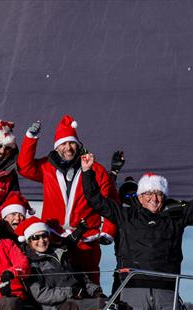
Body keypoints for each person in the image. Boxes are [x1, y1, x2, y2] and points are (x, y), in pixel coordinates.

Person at [80, 153, 193, 310]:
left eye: (158, 194)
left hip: (166, 291)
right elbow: (95, 200)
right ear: (139, 197)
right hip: (133, 290)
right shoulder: (125, 216)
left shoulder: (175, 218)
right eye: (148, 193)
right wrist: (87, 172)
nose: (154, 198)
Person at [17, 115, 118, 282]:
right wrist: (30, 138)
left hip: (86, 239)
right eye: (63, 144)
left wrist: (108, 231)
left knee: (90, 282)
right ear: (57, 147)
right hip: (55, 237)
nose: (68, 148)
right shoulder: (47, 167)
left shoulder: (95, 169)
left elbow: (111, 201)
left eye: (72, 143)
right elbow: (24, 168)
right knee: (57, 282)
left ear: (78, 145)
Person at [16, 217, 105, 310]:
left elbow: (81, 277)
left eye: (44, 235)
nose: (41, 240)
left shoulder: (61, 253)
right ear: (28, 241)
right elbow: (41, 294)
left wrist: (95, 291)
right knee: (104, 306)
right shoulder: (30, 263)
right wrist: (71, 292)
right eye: (36, 237)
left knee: (112, 304)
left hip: (77, 302)